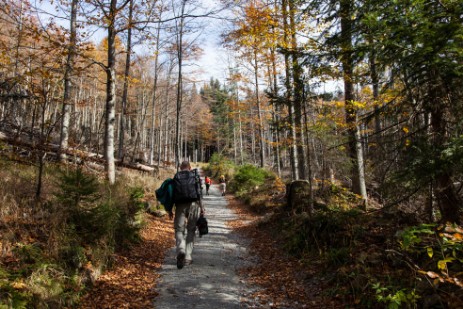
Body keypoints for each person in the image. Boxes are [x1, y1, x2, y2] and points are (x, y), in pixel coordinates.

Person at [169, 161, 205, 269]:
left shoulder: (177, 176)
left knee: (179, 230)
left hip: (179, 205)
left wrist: (170, 209)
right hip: (194, 204)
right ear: (189, 167)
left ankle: (181, 249)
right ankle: (188, 257)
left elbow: (172, 194)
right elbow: (199, 192)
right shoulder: (194, 175)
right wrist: (202, 208)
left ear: (180, 168)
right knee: (191, 230)